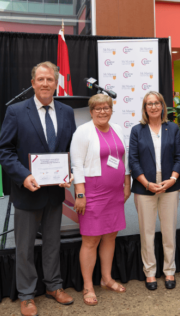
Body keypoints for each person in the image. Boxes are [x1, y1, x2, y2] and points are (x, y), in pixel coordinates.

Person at [0, 61, 76, 316]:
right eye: (40, 79)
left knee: (53, 243)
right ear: (32, 83)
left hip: (54, 193)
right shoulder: (16, 111)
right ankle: (27, 294)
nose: (45, 84)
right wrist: (24, 176)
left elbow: (70, 149)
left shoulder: (66, 111)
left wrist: (69, 171)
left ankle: (54, 286)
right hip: (27, 191)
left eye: (49, 79)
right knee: (25, 246)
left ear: (56, 83)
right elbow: (4, 151)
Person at [70, 94, 131, 305]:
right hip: (92, 193)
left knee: (111, 236)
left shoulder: (118, 129)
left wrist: (127, 183)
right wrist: (80, 194)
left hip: (115, 193)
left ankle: (106, 279)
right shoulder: (83, 132)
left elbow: (124, 157)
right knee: (91, 239)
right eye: (98, 108)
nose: (102, 111)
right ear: (91, 111)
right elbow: (76, 165)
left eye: (106, 108)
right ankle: (88, 286)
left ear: (111, 109)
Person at [129, 91, 180, 290]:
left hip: (170, 187)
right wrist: (146, 184)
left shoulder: (173, 128)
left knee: (169, 232)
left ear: (162, 106)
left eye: (156, 103)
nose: (153, 106)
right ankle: (150, 272)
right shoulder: (137, 130)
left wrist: (172, 180)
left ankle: (169, 271)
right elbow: (133, 161)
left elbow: (179, 157)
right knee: (147, 232)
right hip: (145, 189)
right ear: (145, 108)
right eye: (149, 104)